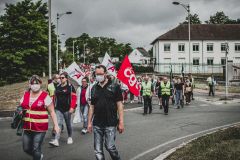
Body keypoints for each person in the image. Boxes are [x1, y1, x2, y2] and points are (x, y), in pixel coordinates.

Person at [87, 65, 124, 160]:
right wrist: (89, 123)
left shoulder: (115, 86)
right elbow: (92, 106)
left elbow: (119, 105)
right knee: (98, 150)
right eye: (96, 74)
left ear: (106, 74)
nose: (98, 76)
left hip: (110, 123)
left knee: (110, 146)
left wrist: (121, 122)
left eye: (100, 74)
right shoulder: (94, 88)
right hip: (97, 124)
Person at [20, 75, 60, 160]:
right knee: (26, 148)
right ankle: (37, 156)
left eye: (37, 83)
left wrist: (56, 125)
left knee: (36, 148)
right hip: (27, 127)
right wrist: (20, 111)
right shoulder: (25, 95)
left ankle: (38, 156)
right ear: (29, 85)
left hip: (40, 128)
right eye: (33, 83)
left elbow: (52, 112)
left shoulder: (45, 96)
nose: (35, 85)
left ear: (40, 84)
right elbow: (21, 107)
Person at [49, 72, 77, 147]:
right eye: (60, 78)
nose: (60, 79)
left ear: (66, 78)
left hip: (67, 109)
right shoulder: (58, 86)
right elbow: (54, 97)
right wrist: (52, 105)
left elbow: (74, 98)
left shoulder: (70, 87)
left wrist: (72, 107)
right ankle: (56, 140)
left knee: (68, 124)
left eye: (62, 77)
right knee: (58, 124)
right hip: (58, 108)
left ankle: (70, 137)